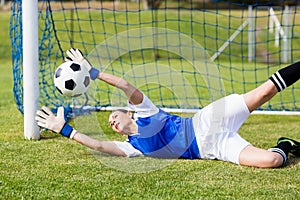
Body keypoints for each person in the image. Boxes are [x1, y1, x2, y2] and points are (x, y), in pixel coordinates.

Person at [35, 48, 300, 168]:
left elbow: (126, 85)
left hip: (207, 121)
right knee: (272, 160)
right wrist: (65, 130)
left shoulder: (146, 111)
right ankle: (286, 144)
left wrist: (93, 71)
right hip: (212, 149)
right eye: (111, 125)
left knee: (265, 91)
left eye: (113, 115)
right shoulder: (133, 147)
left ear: (128, 112)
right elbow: (99, 146)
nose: (111, 121)